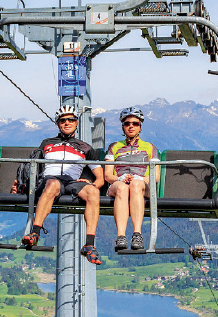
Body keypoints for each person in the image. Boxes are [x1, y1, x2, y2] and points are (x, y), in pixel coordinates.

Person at [13, 105, 104, 265]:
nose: (67, 123)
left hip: (72, 182)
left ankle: (89, 244)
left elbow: (100, 178)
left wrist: (91, 183)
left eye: (71, 119)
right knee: (53, 184)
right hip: (49, 180)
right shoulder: (47, 143)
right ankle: (35, 233)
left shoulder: (85, 148)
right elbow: (32, 168)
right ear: (57, 124)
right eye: (63, 120)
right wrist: (19, 184)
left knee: (93, 193)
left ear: (76, 122)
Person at [104, 107, 160, 251]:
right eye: (127, 123)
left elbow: (156, 176)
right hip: (118, 184)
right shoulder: (114, 147)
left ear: (140, 126)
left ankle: (137, 234)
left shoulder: (150, 147)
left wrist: (139, 178)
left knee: (135, 185)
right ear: (122, 126)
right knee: (122, 187)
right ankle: (121, 236)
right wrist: (120, 178)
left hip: (140, 185)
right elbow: (108, 175)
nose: (131, 126)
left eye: (135, 123)